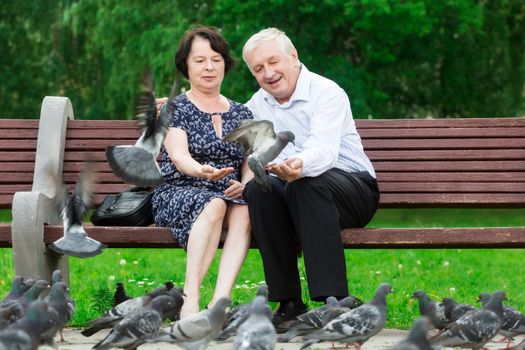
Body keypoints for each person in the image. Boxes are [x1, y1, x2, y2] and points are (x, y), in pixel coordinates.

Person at [241, 28, 380, 331]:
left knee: (306, 182)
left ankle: (335, 300)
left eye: (273, 61)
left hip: (352, 190)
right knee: (258, 191)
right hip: (296, 192)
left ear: (294, 56)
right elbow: (254, 153)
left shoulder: (326, 92)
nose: (269, 73)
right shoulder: (257, 104)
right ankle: (288, 302)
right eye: (258, 69)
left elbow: (323, 152)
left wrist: (299, 166)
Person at [152, 26, 253, 318]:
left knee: (245, 210)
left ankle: (219, 303)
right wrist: (202, 171)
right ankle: (190, 299)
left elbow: (248, 160)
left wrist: (245, 183)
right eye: (199, 60)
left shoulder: (242, 113)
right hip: (179, 189)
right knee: (214, 204)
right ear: (186, 66)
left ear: (225, 64)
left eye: (216, 59)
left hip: (227, 191)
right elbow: (179, 156)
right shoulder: (175, 108)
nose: (209, 66)